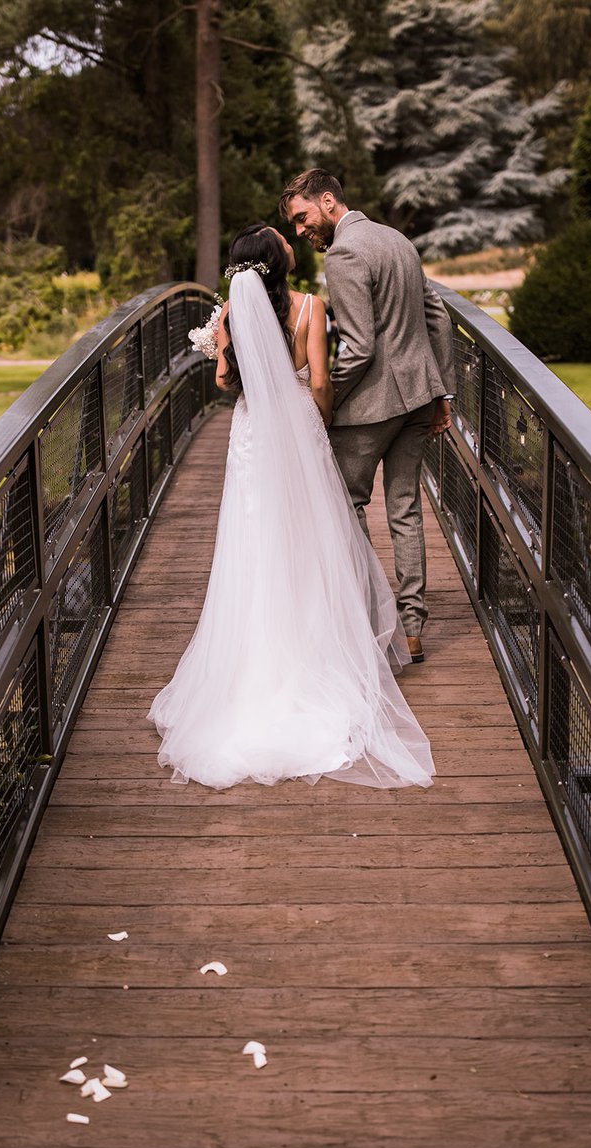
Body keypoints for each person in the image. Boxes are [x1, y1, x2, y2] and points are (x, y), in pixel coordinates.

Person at [148, 222, 434, 791]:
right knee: (309, 534)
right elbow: (321, 381)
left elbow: (225, 382)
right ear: (278, 260)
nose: (291, 240)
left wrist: (228, 354)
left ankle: (254, 661)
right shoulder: (310, 308)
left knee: (253, 536)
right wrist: (317, 422)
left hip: (254, 431)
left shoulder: (233, 313)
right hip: (301, 424)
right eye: (284, 239)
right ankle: (319, 648)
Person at [279, 169, 457, 662]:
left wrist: (324, 400)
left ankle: (369, 621)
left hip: (371, 409)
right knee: (406, 509)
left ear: (328, 200)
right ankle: (412, 628)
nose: (301, 230)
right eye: (295, 225)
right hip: (418, 399)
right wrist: (442, 391)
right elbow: (438, 317)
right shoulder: (398, 240)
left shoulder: (343, 253)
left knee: (346, 504)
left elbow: (358, 350)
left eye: (302, 217)